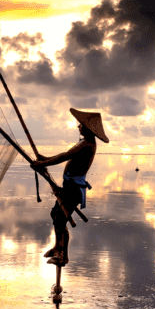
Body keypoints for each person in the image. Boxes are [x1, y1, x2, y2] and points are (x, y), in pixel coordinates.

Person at [31, 108, 109, 266]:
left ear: (87, 128)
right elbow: (65, 153)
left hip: (74, 190)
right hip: (68, 187)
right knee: (55, 215)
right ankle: (57, 247)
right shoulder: (83, 142)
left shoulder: (88, 143)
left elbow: (64, 156)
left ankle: (63, 256)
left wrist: (42, 163)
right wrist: (45, 159)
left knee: (61, 219)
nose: (78, 127)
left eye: (80, 125)